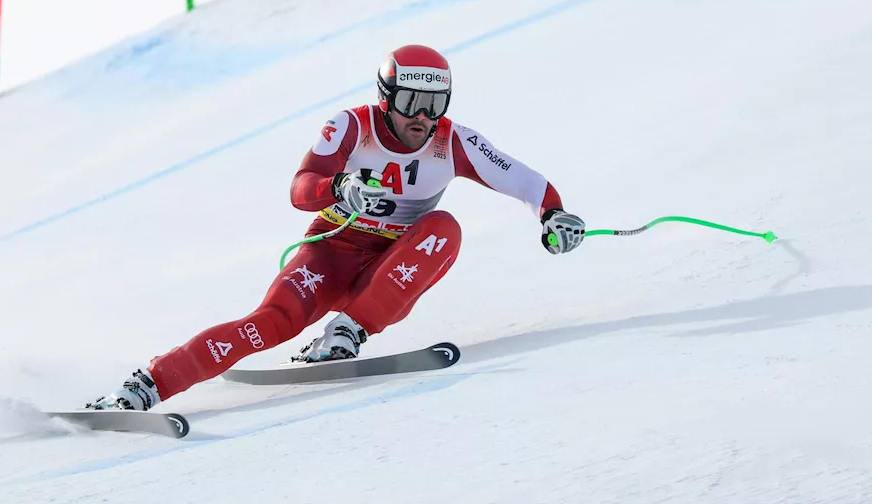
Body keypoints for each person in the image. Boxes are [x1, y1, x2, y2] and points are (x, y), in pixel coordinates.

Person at [87, 44, 587, 411]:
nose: (422, 116)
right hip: (333, 251)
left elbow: (520, 178)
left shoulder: (452, 141)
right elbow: (300, 187)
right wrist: (341, 187)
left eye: (435, 105)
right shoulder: (350, 126)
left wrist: (553, 213)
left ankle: (347, 331)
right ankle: (145, 386)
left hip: (393, 265)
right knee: (270, 323)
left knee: (443, 228)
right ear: (386, 96)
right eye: (411, 100)